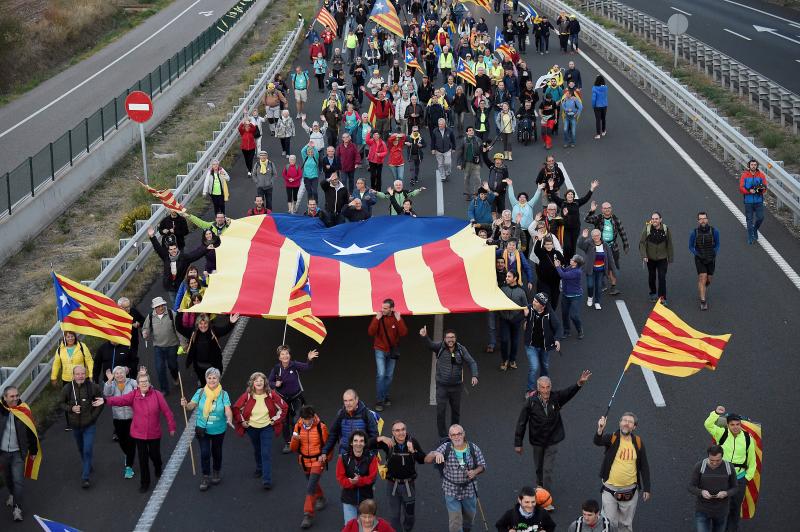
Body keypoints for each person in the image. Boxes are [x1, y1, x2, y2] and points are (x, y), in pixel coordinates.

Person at [514, 371, 592, 506]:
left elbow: (568, 393)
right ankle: (539, 486)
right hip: (537, 441)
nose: (546, 390)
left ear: (551, 386)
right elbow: (522, 422)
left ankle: (545, 498)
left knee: (547, 470)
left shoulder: (556, 398)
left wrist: (579, 383)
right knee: (539, 467)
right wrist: (518, 443)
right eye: (543, 387)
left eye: (548, 387)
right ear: (538, 388)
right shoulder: (530, 403)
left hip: (552, 440)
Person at [101, 371, 176, 493]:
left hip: (154, 433)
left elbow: (167, 412)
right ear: (138, 384)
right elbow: (120, 400)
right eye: (141, 382)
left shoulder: (157, 395)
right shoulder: (133, 395)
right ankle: (145, 483)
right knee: (143, 458)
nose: (143, 383)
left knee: (154, 455)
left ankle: (158, 466)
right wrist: (105, 401)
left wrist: (171, 427)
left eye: (146, 381)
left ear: (149, 383)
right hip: (139, 433)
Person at [594, 413, 651, 532]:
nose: (626, 423)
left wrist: (647, 488)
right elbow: (597, 441)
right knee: (608, 523)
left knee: (625, 524)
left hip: (630, 490)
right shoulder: (612, 438)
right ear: (620, 423)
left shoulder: (638, 442)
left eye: (630, 422)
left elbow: (644, 466)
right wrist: (600, 429)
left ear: (634, 427)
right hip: (610, 489)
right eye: (624, 420)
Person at [420, 327, 479, 439]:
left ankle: (455, 434)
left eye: (452, 337)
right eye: (448, 337)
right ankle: (443, 437)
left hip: (456, 387)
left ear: (455, 338)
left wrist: (475, 375)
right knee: (440, 412)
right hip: (442, 387)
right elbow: (430, 345)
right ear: (444, 339)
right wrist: (424, 336)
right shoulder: (440, 347)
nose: (450, 340)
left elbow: (472, 362)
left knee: (456, 412)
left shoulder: (461, 349)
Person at [424, 424, 486, 532]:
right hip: (451, 489)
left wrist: (475, 471)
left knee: (469, 518)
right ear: (450, 436)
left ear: (464, 434)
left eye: (459, 434)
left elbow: (482, 466)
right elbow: (427, 460)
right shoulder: (445, 447)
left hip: (470, 489)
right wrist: (435, 453)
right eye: (453, 435)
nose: (456, 437)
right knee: (455, 522)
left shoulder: (473, 448)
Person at [181, 367, 234, 491]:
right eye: (209, 378)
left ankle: (216, 471)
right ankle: (205, 476)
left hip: (219, 429)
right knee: (205, 453)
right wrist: (185, 404)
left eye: (214, 378)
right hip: (202, 429)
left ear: (218, 379)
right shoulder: (200, 392)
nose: (211, 380)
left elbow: (227, 409)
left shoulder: (224, 394)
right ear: (205, 379)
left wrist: (229, 419)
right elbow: (190, 406)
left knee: (217, 452)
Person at [703, 406, 756, 532]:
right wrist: (716, 413)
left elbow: (752, 461)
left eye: (738, 424)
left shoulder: (748, 439)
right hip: (722, 478)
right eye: (732, 424)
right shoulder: (722, 433)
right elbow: (708, 424)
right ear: (728, 425)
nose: (736, 427)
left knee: (734, 510)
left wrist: (747, 478)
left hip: (739, 479)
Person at [232, 371, 288, 490]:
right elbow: (236, 409)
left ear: (265, 382)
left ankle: (266, 480)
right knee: (257, 450)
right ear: (252, 383)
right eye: (256, 381)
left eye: (261, 380)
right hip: (252, 428)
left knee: (265, 452)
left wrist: (274, 421)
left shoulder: (271, 394)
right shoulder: (247, 395)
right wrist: (242, 421)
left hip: (267, 427)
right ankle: (259, 467)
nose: (259, 382)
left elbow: (284, 407)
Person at [369, 420, 425, 531]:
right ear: (393, 432)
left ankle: (407, 529)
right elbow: (367, 445)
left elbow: (422, 459)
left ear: (406, 430)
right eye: (397, 430)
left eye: (403, 429)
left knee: (410, 516)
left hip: (409, 486)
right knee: (394, 517)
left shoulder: (412, 442)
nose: (401, 433)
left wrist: (413, 451)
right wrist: (380, 438)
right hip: (392, 486)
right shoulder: (388, 444)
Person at [269, 345, 318, 454]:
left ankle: (298, 440)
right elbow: (269, 382)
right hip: (282, 399)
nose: (285, 356)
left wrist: (309, 360)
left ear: (290, 355)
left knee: (296, 420)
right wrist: (275, 384)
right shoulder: (277, 369)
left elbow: (307, 367)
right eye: (282, 354)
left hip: (296, 397)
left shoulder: (294, 365)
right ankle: (288, 443)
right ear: (279, 357)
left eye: (287, 353)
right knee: (285, 422)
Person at [61, 365, 104, 488]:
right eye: (77, 374)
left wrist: (93, 417)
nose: (80, 376)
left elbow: (100, 403)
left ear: (86, 374)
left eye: (82, 374)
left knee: (87, 449)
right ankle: (88, 465)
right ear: (73, 375)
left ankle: (85, 477)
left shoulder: (93, 387)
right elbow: (61, 403)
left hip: (89, 425)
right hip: (75, 426)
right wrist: (71, 408)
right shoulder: (67, 388)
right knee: (81, 448)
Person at [0, 386, 38, 522]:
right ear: (5, 397)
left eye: (17, 395)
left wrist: (33, 450)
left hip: (18, 453)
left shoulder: (23, 410)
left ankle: (17, 508)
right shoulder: (1, 411)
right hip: (3, 453)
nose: (16, 398)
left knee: (18, 481)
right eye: (12, 396)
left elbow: (31, 430)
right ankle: (11, 494)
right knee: (7, 478)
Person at [291, 405, 331, 529]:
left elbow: (328, 445)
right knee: (312, 483)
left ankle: (308, 514)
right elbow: (293, 448)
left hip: (317, 461)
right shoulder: (297, 427)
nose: (307, 421)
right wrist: (295, 439)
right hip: (304, 461)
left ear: (313, 416)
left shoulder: (321, 427)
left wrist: (325, 458)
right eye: (305, 419)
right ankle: (321, 497)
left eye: (309, 418)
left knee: (310, 487)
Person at [147, 227, 207, 305]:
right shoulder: (166, 257)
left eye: (175, 248)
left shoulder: (184, 258)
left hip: (182, 286)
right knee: (175, 304)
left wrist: (206, 248)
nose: (173, 251)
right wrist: (152, 236)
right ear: (168, 250)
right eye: (171, 249)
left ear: (177, 249)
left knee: (185, 303)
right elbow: (158, 248)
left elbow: (196, 255)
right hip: (170, 287)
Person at [367, 300, 408, 412]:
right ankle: (380, 400)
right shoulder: (378, 317)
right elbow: (370, 332)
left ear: (391, 308)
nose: (383, 310)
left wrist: (399, 320)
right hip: (379, 350)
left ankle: (385, 395)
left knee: (389, 376)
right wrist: (376, 319)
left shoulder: (396, 318)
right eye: (382, 307)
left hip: (392, 351)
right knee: (381, 375)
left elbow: (404, 333)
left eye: (385, 308)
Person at [177, 313, 239, 386]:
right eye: (201, 323)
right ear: (197, 324)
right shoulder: (193, 333)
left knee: (214, 386)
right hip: (199, 367)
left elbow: (225, 330)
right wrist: (179, 314)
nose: (203, 326)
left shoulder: (213, 331)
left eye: (205, 323)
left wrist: (231, 323)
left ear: (208, 323)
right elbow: (179, 327)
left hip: (213, 367)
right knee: (203, 384)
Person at [688, 445, 738, 532]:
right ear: (708, 456)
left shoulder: (729, 467)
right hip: (703, 510)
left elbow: (735, 487)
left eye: (718, 460)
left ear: (722, 456)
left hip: (721, 511)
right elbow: (690, 487)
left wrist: (726, 493)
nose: (714, 463)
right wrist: (701, 492)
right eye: (711, 460)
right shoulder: (700, 466)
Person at [584, 201, 629, 296]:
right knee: (600, 265)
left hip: (613, 246)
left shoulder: (616, 220)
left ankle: (613, 286)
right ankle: (605, 283)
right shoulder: (598, 218)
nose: (607, 209)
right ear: (602, 209)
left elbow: (622, 232)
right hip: (600, 246)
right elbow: (587, 219)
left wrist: (626, 245)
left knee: (614, 266)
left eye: (608, 208)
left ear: (611, 209)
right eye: (605, 208)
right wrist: (591, 211)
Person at [321, 389, 379, 459]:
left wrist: (372, 456)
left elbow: (374, 436)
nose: (348, 403)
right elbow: (333, 434)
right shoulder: (341, 414)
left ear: (356, 400)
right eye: (345, 401)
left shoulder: (366, 414)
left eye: (350, 400)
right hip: (345, 453)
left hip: (362, 454)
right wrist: (325, 451)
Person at [336, 430, 379, 524]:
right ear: (351, 443)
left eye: (361, 441)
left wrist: (358, 481)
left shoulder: (372, 457)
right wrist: (350, 482)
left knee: (367, 526)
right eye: (355, 441)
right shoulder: (343, 458)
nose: (358, 444)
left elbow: (372, 478)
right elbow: (340, 478)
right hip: (349, 499)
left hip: (366, 498)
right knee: (350, 526)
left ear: (364, 443)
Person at [549, 179, 598, 261]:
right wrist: (551, 186)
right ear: (566, 196)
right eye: (569, 194)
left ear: (573, 196)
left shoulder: (577, 202)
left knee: (572, 247)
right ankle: (565, 261)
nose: (570, 196)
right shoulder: (562, 203)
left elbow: (586, 198)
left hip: (575, 229)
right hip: (566, 229)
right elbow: (554, 197)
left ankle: (572, 262)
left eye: (572, 194)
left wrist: (592, 188)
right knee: (567, 246)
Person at [141, 296, 182, 395]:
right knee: (160, 368)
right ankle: (164, 389)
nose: (161, 308)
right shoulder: (150, 316)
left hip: (172, 345)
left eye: (162, 305)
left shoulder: (172, 314)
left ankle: (175, 376)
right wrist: (145, 334)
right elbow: (145, 328)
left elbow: (178, 330)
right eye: (158, 306)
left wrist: (183, 343)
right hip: (158, 347)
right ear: (154, 308)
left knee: (172, 365)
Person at [102, 366, 137, 479]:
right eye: (116, 373)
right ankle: (128, 455)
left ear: (125, 373)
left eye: (121, 372)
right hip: (118, 418)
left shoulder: (132, 383)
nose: (119, 375)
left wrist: (142, 375)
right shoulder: (112, 384)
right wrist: (109, 380)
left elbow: (144, 389)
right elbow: (107, 394)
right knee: (122, 441)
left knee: (131, 442)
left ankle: (129, 467)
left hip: (133, 417)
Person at [523, 293, 562, 392]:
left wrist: (557, 339)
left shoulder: (549, 314)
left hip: (544, 346)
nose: (533, 303)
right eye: (534, 300)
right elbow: (519, 317)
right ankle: (530, 390)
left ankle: (544, 386)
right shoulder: (529, 309)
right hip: (531, 345)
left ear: (543, 306)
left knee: (545, 366)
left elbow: (558, 327)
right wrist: (525, 316)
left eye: (536, 302)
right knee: (534, 367)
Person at [638, 212, 674, 304]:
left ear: (660, 220)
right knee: (652, 276)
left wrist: (670, 258)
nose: (654, 220)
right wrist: (644, 255)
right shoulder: (647, 228)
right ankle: (653, 293)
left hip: (662, 259)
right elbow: (642, 243)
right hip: (650, 258)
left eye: (656, 219)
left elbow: (669, 244)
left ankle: (662, 297)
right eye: (653, 219)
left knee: (662, 277)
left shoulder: (666, 229)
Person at [498, 270, 529, 371]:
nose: (506, 278)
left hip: (516, 320)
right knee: (504, 340)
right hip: (504, 319)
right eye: (506, 276)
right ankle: (504, 360)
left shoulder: (521, 291)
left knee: (515, 340)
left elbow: (525, 306)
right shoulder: (502, 289)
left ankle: (512, 360)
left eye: (509, 276)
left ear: (515, 278)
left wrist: (526, 320)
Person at [689, 212, 720, 311]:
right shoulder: (694, 232)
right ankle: (703, 301)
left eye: (704, 218)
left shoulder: (714, 231)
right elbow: (690, 246)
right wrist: (697, 254)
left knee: (708, 279)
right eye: (700, 219)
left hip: (711, 258)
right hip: (700, 258)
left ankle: (702, 287)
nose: (703, 220)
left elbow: (718, 244)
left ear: (707, 219)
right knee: (703, 277)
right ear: (698, 221)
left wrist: (714, 253)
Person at [578, 228, 614, 311]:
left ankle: (597, 302)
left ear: (600, 235)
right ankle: (590, 297)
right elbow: (580, 245)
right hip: (590, 269)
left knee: (599, 286)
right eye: (594, 236)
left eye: (597, 235)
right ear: (592, 236)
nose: (596, 237)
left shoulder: (605, 245)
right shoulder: (588, 243)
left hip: (600, 270)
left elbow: (610, 257)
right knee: (590, 285)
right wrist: (583, 237)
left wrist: (613, 269)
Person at [555, 255, 585, 338]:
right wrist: (560, 266)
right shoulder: (571, 267)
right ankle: (566, 331)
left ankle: (579, 330)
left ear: (576, 263)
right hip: (565, 295)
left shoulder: (577, 272)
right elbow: (564, 271)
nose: (570, 260)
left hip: (575, 296)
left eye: (572, 259)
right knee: (564, 314)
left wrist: (557, 267)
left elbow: (563, 275)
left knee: (574, 315)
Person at [739, 159, 767, 244]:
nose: (753, 166)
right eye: (752, 164)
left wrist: (759, 190)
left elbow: (765, 187)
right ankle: (750, 236)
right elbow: (741, 188)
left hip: (759, 201)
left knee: (761, 217)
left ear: (757, 166)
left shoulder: (761, 175)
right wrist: (749, 191)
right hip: (748, 201)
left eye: (755, 165)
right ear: (749, 166)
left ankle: (755, 229)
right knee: (749, 220)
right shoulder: (744, 175)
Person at [457, 127, 483, 199]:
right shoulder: (464, 141)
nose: (471, 131)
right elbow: (460, 152)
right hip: (467, 163)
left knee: (477, 179)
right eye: (469, 130)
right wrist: (459, 163)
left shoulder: (478, 140)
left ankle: (476, 194)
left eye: (472, 130)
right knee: (466, 178)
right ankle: (467, 194)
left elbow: (482, 149)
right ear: (467, 133)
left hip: (476, 163)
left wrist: (486, 148)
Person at [431, 118, 456, 182]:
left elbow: (453, 140)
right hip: (438, 151)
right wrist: (432, 149)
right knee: (440, 164)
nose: (440, 126)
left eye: (441, 124)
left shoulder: (450, 131)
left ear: (445, 124)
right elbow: (433, 141)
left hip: (447, 150)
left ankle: (448, 172)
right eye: (439, 124)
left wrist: (454, 148)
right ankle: (443, 176)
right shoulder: (435, 131)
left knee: (448, 163)